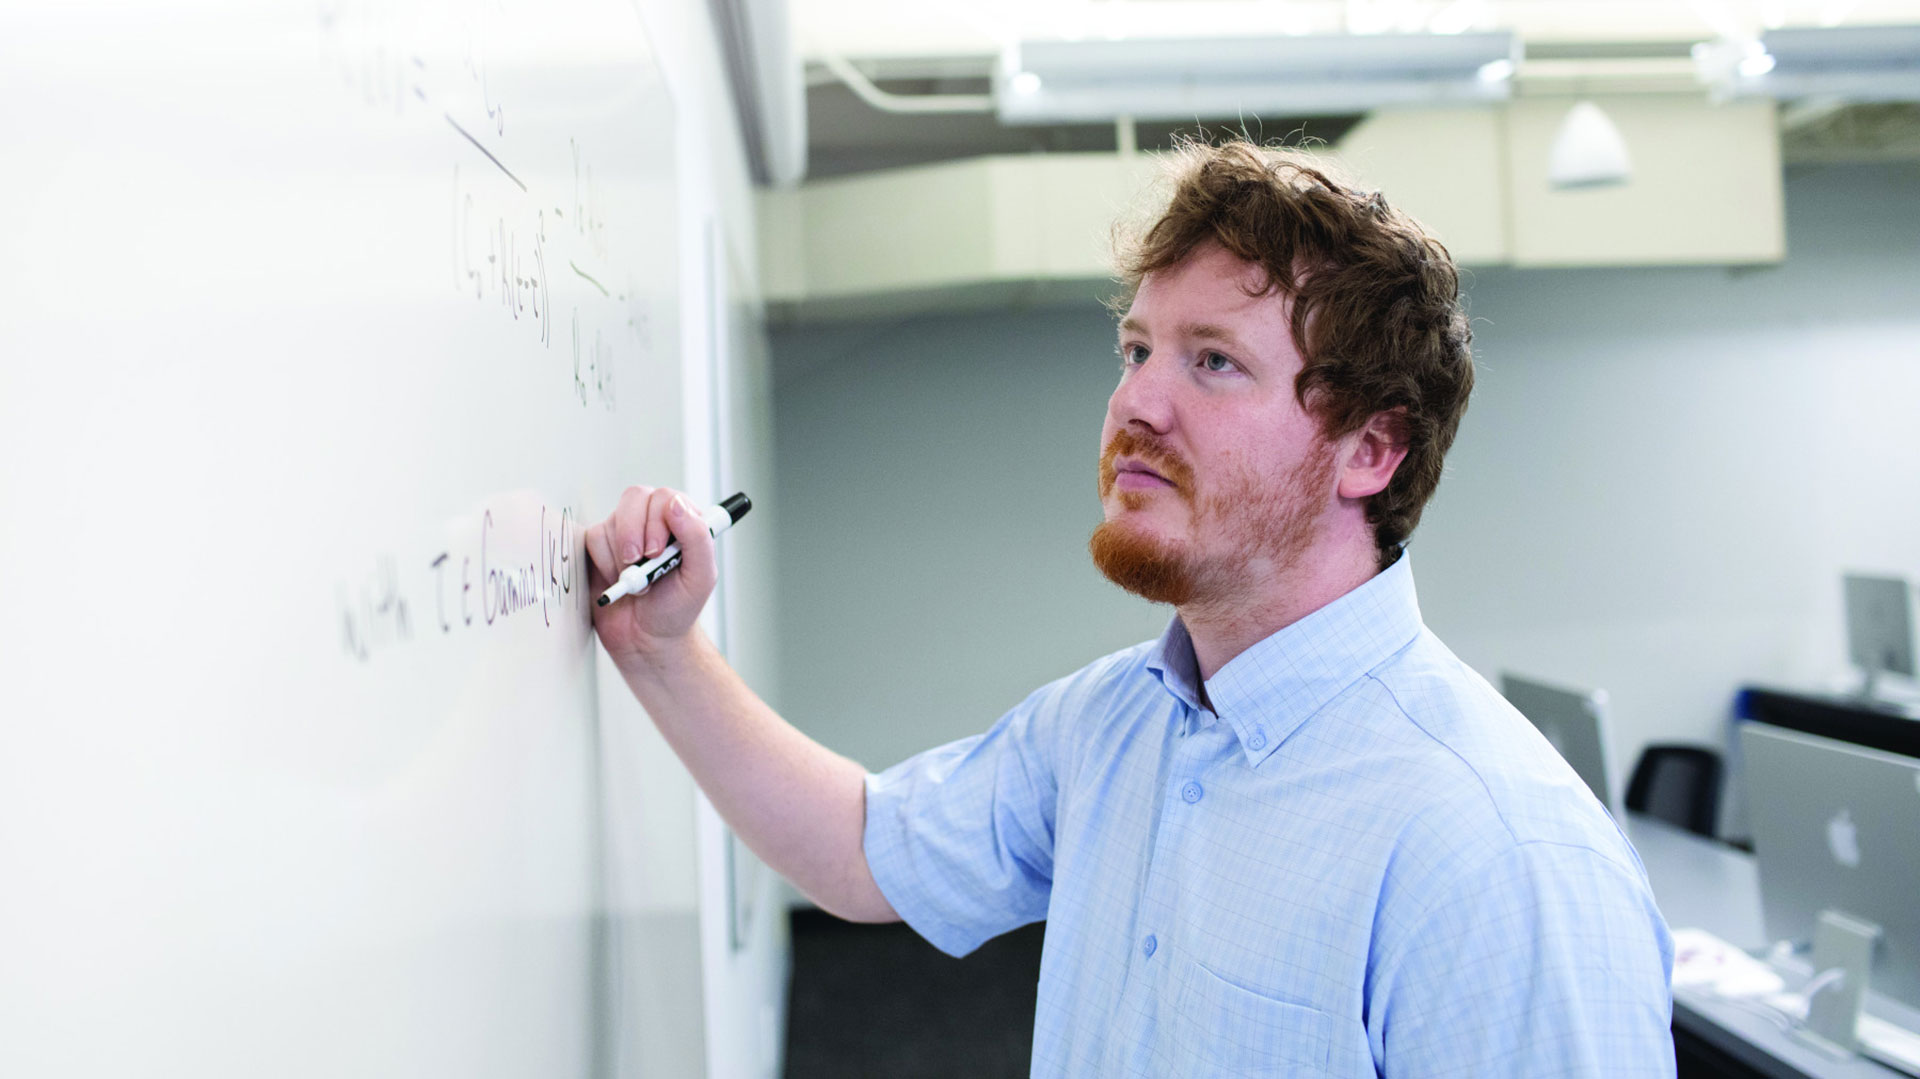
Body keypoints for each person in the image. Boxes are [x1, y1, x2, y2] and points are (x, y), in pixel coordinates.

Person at [584, 140, 1675, 1077]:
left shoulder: (1496, 849)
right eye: (1137, 349)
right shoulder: (1114, 724)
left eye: (1213, 361)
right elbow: (867, 850)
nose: (1136, 403)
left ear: (1371, 448)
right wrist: (663, 649)